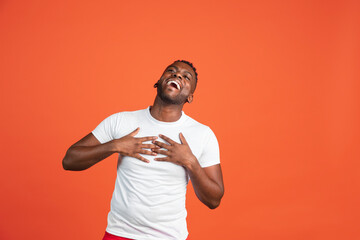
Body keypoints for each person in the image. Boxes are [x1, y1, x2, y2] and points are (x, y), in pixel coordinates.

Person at [62, 60, 224, 240]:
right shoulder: (121, 121)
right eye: (171, 71)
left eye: (186, 77)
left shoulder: (202, 134)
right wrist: (115, 145)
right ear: (158, 81)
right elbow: (69, 160)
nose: (177, 75)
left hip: (169, 237)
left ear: (190, 97)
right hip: (120, 233)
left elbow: (214, 200)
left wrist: (190, 162)